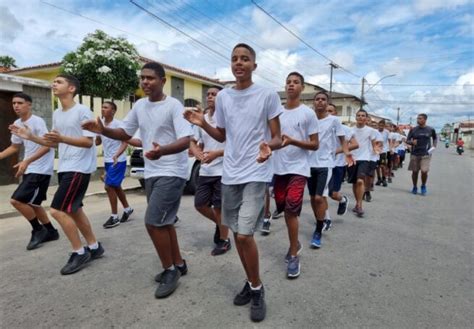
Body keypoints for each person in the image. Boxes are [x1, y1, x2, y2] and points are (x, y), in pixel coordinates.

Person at [184, 43, 282, 322]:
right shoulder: (224, 97)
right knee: (238, 233)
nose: (239, 63)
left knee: (242, 235)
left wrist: (269, 147)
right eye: (234, 59)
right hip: (230, 174)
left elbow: (277, 136)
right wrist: (202, 124)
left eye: (245, 59)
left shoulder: (267, 95)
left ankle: (257, 288)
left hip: (256, 172)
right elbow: (224, 135)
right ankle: (252, 281)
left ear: (254, 65)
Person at [83, 62, 193, 298]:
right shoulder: (140, 106)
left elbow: (185, 140)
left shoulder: (174, 106)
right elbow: (125, 133)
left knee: (153, 222)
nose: (145, 82)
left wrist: (162, 150)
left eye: (150, 78)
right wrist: (101, 130)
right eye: (142, 78)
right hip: (152, 171)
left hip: (172, 171)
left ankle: (169, 270)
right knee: (165, 222)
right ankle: (178, 263)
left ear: (163, 81)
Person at [10, 75, 104, 275]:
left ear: (71, 88)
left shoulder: (82, 111)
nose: (54, 84)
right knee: (75, 210)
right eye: (53, 82)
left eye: (59, 82)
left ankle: (79, 252)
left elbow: (89, 142)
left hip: (79, 167)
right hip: (66, 166)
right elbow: (53, 143)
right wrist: (31, 137)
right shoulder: (57, 113)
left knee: (56, 210)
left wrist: (62, 137)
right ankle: (95, 247)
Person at [272, 72, 318, 278]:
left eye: (295, 82)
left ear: (302, 87)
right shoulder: (276, 113)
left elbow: (314, 144)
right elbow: (271, 138)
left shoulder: (308, 114)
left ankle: (293, 254)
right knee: (281, 205)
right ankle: (296, 242)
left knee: (291, 209)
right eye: (288, 82)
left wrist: (293, 141)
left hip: (299, 169)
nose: (291, 85)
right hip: (279, 168)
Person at [1, 93, 59, 250]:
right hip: (30, 167)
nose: (16, 106)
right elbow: (15, 147)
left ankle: (38, 230)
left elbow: (47, 146)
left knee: (17, 201)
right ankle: (51, 231)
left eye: (20, 102)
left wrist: (27, 161)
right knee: (34, 204)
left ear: (29, 105)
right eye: (14, 103)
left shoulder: (37, 121)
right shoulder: (17, 123)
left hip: (40, 169)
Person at [189, 87, 231, 256]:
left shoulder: (227, 118)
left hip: (223, 170)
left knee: (220, 207)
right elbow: (192, 140)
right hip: (206, 170)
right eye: (208, 94)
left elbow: (236, 147)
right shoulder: (202, 119)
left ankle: (224, 240)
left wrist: (217, 153)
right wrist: (197, 152)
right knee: (200, 204)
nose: (210, 96)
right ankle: (221, 225)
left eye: (215, 94)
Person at [308, 92, 352, 248]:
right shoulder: (309, 119)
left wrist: (346, 153)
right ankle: (320, 221)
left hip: (326, 164)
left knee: (320, 198)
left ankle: (318, 231)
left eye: (323, 99)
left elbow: (343, 140)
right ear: (314, 102)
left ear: (327, 103)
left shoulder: (334, 120)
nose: (320, 101)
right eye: (317, 99)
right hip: (309, 164)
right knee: (313, 199)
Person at [96, 101, 134, 229]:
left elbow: (125, 142)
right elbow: (98, 141)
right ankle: (127, 209)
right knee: (116, 187)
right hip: (108, 160)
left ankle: (114, 217)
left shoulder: (119, 124)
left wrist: (117, 155)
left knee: (109, 187)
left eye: (106, 107)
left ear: (113, 111)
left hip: (118, 160)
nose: (103, 109)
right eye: (102, 107)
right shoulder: (100, 124)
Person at [326, 103, 358, 230]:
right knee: (321, 195)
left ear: (335, 114)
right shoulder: (318, 126)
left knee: (333, 194)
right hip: (322, 164)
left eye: (331, 111)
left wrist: (338, 151)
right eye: (326, 111)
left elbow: (355, 144)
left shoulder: (345, 129)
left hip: (337, 165)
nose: (328, 113)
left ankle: (342, 200)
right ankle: (326, 219)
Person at [348, 110, 380, 217]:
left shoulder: (371, 131)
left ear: (366, 118)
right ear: (356, 117)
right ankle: (357, 203)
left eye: (363, 116)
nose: (361, 117)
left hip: (364, 158)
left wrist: (376, 150)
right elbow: (347, 143)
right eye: (358, 115)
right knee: (354, 183)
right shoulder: (350, 130)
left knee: (360, 181)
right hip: (352, 158)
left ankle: (360, 205)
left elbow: (375, 143)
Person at [406, 113, 437, 195]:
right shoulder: (413, 130)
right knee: (415, 172)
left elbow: (435, 138)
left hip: (426, 154)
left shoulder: (430, 129)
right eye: (417, 118)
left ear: (425, 120)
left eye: (420, 118)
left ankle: (423, 186)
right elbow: (407, 140)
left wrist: (434, 145)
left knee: (424, 171)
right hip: (415, 154)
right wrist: (412, 142)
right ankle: (415, 186)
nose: (418, 120)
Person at [375, 120, 390, 187]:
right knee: (377, 166)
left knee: (382, 166)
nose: (380, 127)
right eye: (379, 125)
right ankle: (379, 179)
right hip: (376, 151)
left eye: (382, 126)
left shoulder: (387, 132)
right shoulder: (375, 131)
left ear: (384, 126)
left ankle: (384, 179)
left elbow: (389, 141)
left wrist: (390, 149)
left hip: (383, 151)